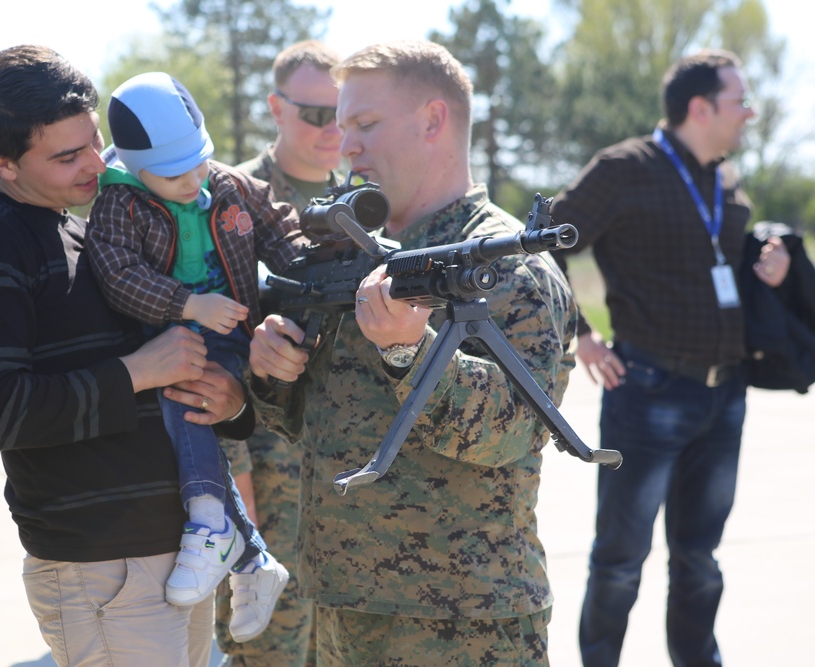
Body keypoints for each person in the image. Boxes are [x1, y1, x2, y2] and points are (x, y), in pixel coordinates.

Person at [248, 39, 577, 666]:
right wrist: (273, 372)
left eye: (366, 124)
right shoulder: (356, 255)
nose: (346, 146)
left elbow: (513, 430)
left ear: (433, 120)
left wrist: (409, 350)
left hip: (463, 622)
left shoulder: (508, 265)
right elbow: (320, 420)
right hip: (343, 605)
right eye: (343, 126)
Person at [0, 45, 254, 667]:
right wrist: (140, 371)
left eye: (95, 141)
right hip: (102, 567)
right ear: (1, 162)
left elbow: (171, 369)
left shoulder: (85, 229)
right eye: (67, 156)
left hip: (175, 553)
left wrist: (231, 400)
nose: (96, 164)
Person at [548, 49, 791, 667]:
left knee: (699, 560)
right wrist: (580, 332)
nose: (750, 112)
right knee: (620, 560)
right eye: (740, 101)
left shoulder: (726, 178)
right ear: (700, 108)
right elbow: (544, 245)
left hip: (725, 396)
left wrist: (771, 261)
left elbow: (722, 255)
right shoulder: (624, 168)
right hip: (649, 393)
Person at [85, 71, 300, 643]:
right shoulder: (119, 203)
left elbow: (283, 231)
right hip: (167, 334)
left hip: (229, 334)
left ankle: (217, 529)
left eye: (198, 162)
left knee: (191, 400)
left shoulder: (228, 186)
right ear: (135, 165)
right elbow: (117, 275)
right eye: (172, 172)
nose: (191, 180)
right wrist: (187, 304)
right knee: (186, 405)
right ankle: (242, 551)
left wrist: (315, 266)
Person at [215, 39, 343, 667]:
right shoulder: (230, 202)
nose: (332, 130)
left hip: (346, 476)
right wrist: (235, 484)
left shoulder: (366, 204)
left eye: (344, 114)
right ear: (276, 108)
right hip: (267, 472)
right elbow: (210, 358)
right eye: (316, 114)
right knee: (269, 650)